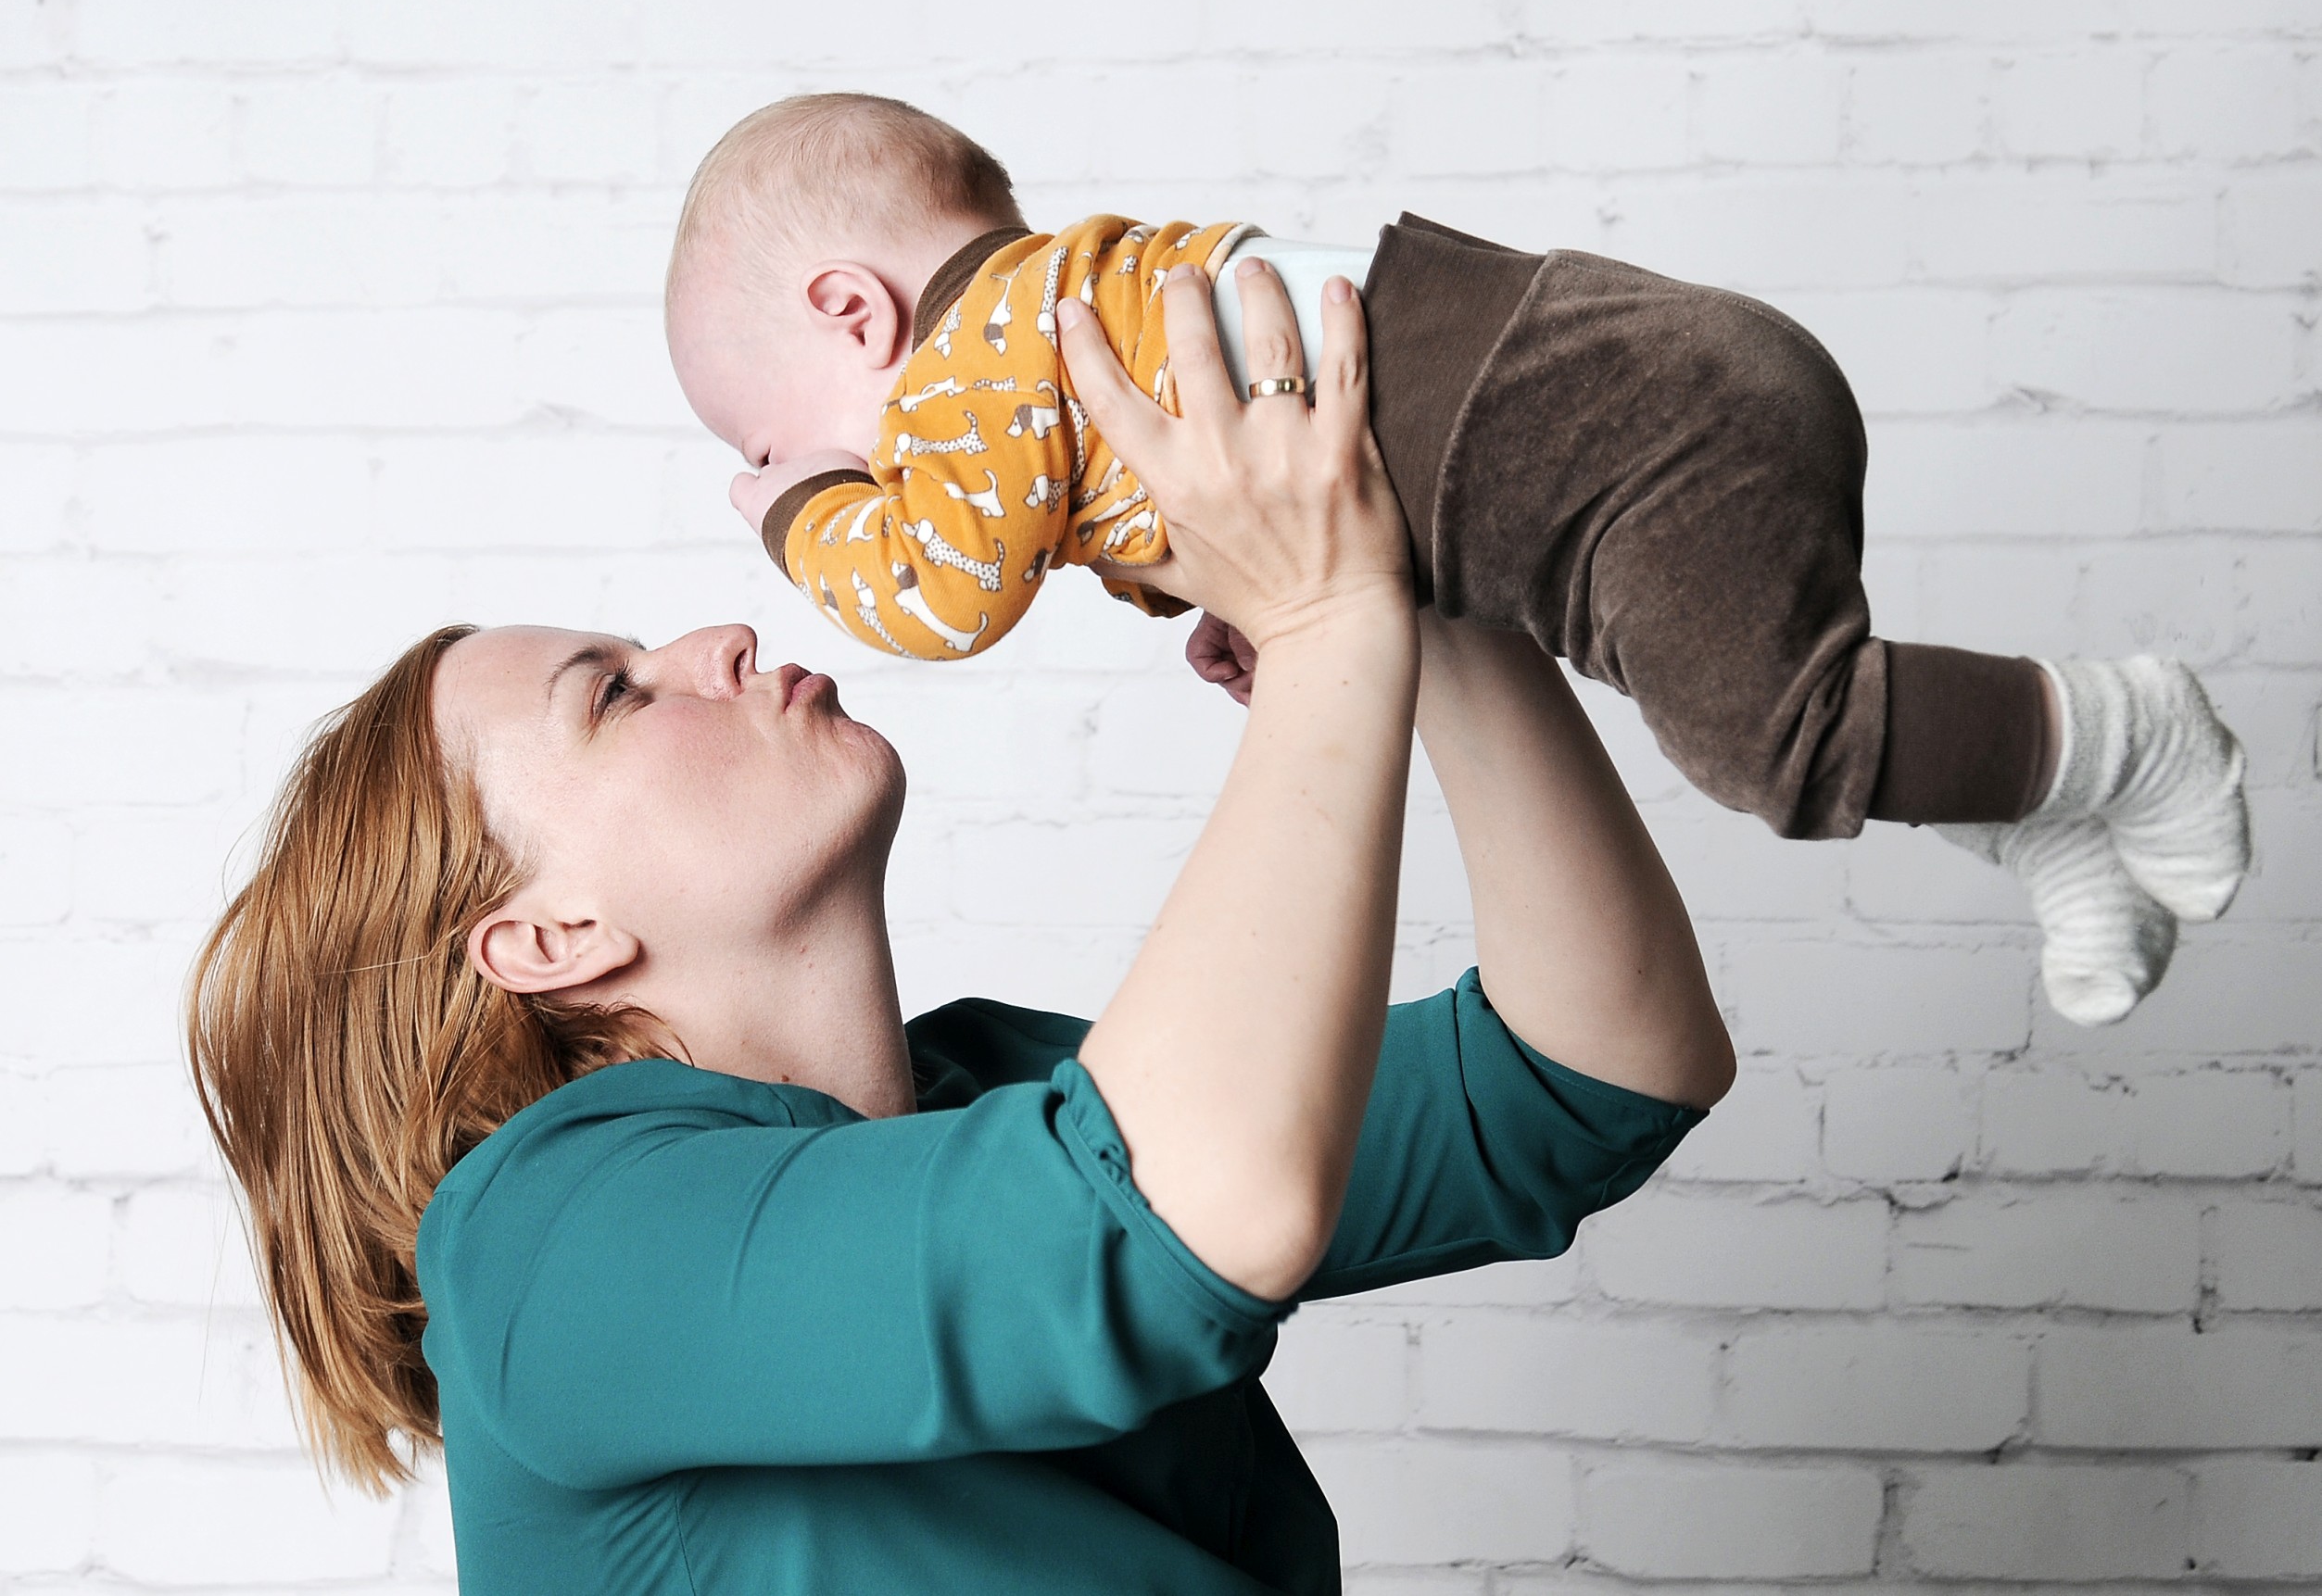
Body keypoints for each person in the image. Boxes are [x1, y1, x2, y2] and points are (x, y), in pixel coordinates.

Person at [189, 264, 1734, 1594]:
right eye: (613, 693)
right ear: (547, 936)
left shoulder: (999, 1098)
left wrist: (1407, 581)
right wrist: (1324, 624)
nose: (715, 637)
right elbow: (1161, 1224)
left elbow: (1591, 1072)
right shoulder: (541, 1238)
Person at [662, 92, 2250, 1027]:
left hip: (1606, 420)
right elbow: (1253, 479)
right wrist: (1239, 599)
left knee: (1775, 741)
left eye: (777, 430)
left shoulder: (976, 352)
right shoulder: (1074, 323)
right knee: (1788, 720)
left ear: (852, 314)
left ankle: (2126, 727)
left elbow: (938, 594)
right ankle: (2051, 813)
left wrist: (794, 511)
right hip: (1590, 415)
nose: (825, 471)